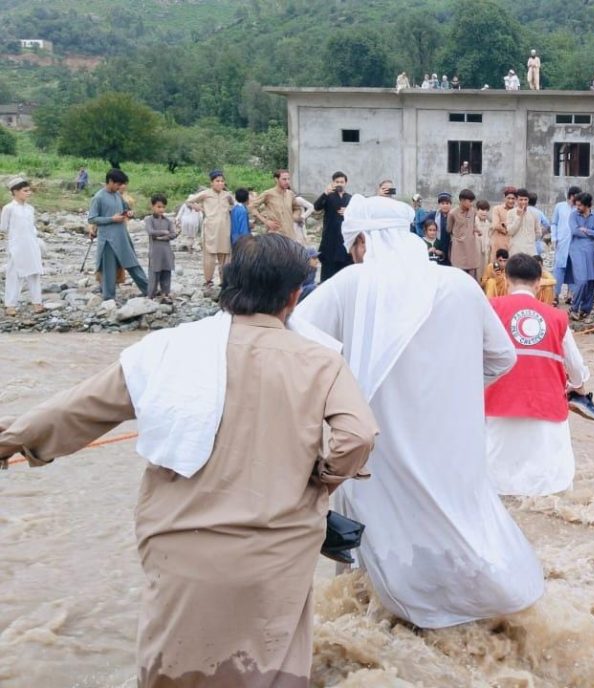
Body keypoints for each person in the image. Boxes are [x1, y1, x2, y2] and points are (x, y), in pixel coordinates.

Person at [0, 233, 378, 687]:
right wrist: (320, 481)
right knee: (270, 666)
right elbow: (357, 435)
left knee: (174, 669)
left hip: (180, 549)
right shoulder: (320, 360)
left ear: (228, 285)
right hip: (276, 551)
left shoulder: (168, 349)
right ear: (294, 296)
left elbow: (77, 409)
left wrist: (10, 441)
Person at [294, 194, 544, 629]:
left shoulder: (351, 284)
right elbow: (502, 357)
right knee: (458, 520)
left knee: (370, 540)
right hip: (452, 439)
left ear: (363, 242)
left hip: (378, 444)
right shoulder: (459, 285)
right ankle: (475, 611)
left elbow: (293, 346)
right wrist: (457, 391)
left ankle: (373, 627)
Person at [485, 253, 594, 496]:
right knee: (549, 484)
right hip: (546, 405)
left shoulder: (490, 309)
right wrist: (578, 387)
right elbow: (576, 366)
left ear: (506, 280)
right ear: (539, 283)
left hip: (497, 405)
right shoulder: (557, 317)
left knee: (496, 482)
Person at [89, 169, 149, 301]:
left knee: (133, 264)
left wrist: (128, 213)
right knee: (108, 269)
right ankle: (108, 298)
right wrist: (111, 219)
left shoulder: (117, 195)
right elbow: (92, 218)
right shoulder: (98, 197)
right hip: (107, 240)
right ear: (110, 181)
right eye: (118, 184)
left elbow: (125, 209)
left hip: (122, 236)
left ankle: (149, 290)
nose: (120, 187)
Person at [1, 177, 44, 315]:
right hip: (16, 246)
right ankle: (10, 305)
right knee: (14, 274)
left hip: (31, 245)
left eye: (29, 190)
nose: (28, 193)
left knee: (34, 273)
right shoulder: (9, 208)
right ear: (15, 192)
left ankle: (37, 302)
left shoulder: (30, 209)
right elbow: (3, 227)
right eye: (25, 191)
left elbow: (32, 227)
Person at [187, 170, 234, 288]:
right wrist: (200, 208)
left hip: (225, 228)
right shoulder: (205, 194)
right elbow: (189, 201)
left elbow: (233, 204)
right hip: (210, 228)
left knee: (225, 255)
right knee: (209, 255)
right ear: (211, 183)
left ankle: (224, 281)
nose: (220, 183)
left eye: (222, 181)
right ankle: (208, 281)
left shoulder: (227, 195)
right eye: (217, 181)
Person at [566, 192, 594, 320]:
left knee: (592, 280)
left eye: (580, 205)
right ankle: (574, 308)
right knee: (581, 280)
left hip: (591, 250)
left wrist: (586, 230)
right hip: (577, 249)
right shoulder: (573, 215)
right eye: (576, 205)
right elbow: (575, 231)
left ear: (587, 205)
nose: (577, 207)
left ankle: (586, 309)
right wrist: (592, 233)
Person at [314, 172, 353, 282]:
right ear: (333, 183)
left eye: (342, 182)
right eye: (337, 182)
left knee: (345, 266)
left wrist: (349, 211)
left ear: (346, 183)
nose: (339, 184)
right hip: (330, 237)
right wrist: (325, 193)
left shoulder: (350, 198)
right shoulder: (328, 196)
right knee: (328, 267)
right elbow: (316, 207)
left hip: (345, 238)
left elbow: (358, 215)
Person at [145, 194, 178, 302]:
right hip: (155, 252)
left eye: (163, 207)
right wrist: (164, 232)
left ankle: (165, 294)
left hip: (166, 252)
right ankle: (151, 296)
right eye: (158, 207)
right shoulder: (149, 220)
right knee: (154, 273)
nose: (161, 209)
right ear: (152, 206)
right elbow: (151, 232)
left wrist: (162, 237)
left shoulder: (167, 221)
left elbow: (173, 234)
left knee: (166, 272)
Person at [253, 170, 303, 243]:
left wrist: (294, 216)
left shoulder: (290, 194)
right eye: (284, 179)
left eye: (288, 179)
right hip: (275, 234)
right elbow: (252, 207)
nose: (287, 182)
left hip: (290, 234)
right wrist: (266, 221)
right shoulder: (268, 194)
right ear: (276, 179)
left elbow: (297, 208)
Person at [551, 186, 580, 302]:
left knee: (573, 268)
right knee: (559, 268)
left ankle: (570, 295)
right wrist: (554, 238)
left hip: (575, 243)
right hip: (561, 242)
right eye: (575, 197)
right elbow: (554, 223)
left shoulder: (579, 209)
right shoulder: (560, 206)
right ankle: (555, 295)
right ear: (570, 196)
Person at [448, 189, 481, 278]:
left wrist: (476, 230)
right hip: (458, 247)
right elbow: (449, 229)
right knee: (458, 272)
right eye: (470, 201)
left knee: (472, 271)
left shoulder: (473, 211)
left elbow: (472, 224)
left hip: (471, 246)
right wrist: (458, 235)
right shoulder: (452, 213)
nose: (471, 204)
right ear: (462, 200)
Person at [507, 188, 541, 259]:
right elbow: (510, 232)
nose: (523, 202)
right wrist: (518, 217)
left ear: (528, 200)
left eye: (525, 199)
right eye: (521, 200)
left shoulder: (534, 214)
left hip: (530, 251)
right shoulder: (510, 213)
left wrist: (530, 240)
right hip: (516, 251)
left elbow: (538, 233)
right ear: (516, 200)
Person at [434, 191, 453, 266]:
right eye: (442, 203)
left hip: (451, 245)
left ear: (450, 204)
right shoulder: (435, 215)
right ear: (439, 205)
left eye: (447, 203)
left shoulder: (454, 215)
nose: (445, 206)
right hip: (439, 245)